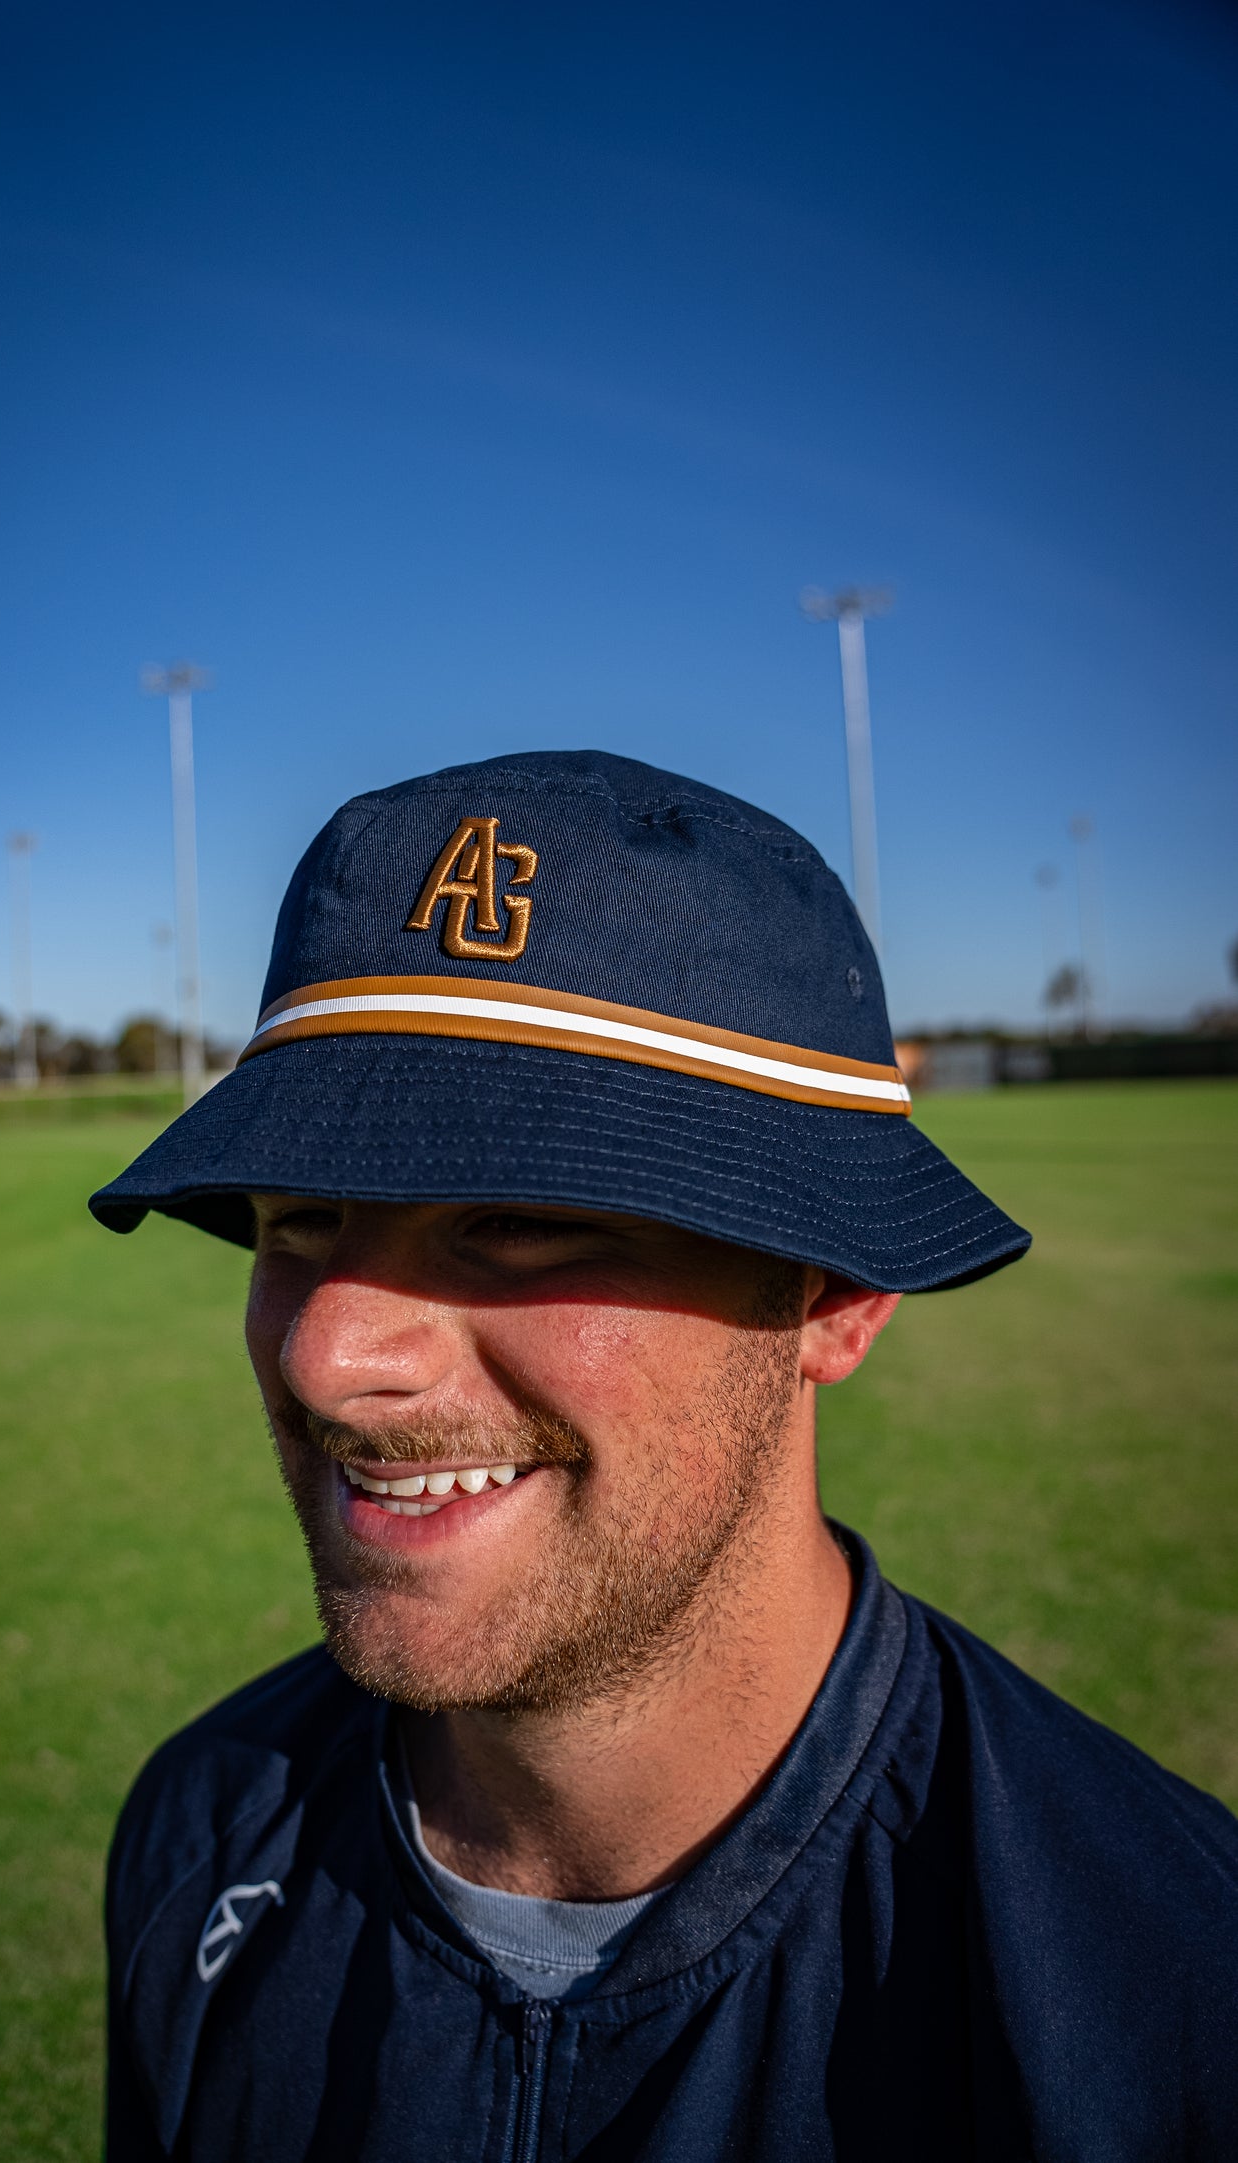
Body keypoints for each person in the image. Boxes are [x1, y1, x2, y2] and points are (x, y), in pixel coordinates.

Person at [90, 750, 1238, 2162]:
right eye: (297, 1223)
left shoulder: (1158, 1995)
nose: (328, 1356)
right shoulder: (205, 1825)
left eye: (517, 1223)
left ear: (830, 1294)